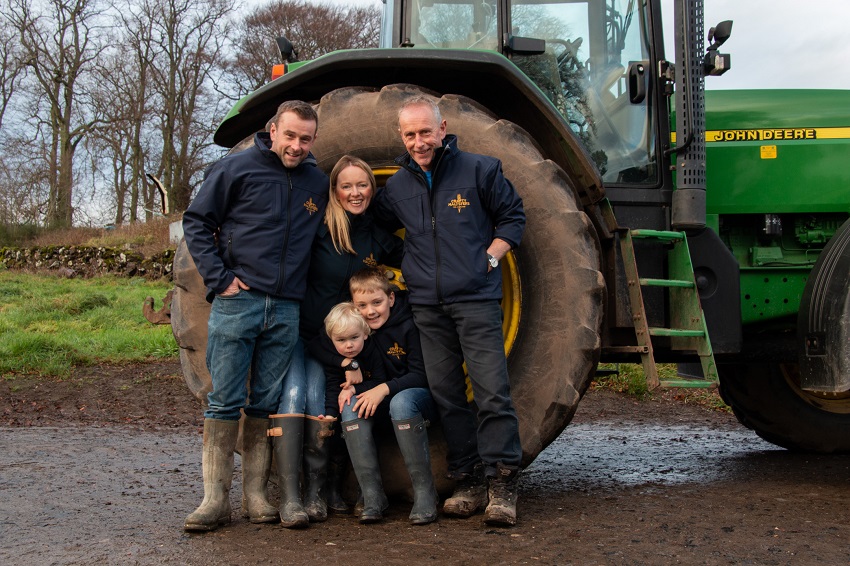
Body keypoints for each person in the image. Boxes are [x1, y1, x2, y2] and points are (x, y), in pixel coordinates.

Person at [373, 95, 526, 527]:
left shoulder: (480, 169)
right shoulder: (398, 187)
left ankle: (503, 485)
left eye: (425, 132)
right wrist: (410, 263)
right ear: (401, 137)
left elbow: (512, 218)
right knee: (447, 397)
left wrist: (489, 260)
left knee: (492, 391)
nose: (419, 141)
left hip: (476, 300)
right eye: (410, 134)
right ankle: (469, 480)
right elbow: (378, 227)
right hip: (427, 307)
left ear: (443, 129)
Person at [181, 100, 328, 532]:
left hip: (285, 307)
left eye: (305, 138)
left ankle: (255, 495)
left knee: (264, 402)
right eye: (290, 136)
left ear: (313, 139)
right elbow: (196, 222)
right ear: (273, 130)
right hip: (238, 301)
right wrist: (220, 278)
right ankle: (213, 500)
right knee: (225, 400)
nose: (296, 146)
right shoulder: (237, 169)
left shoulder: (316, 183)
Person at [270, 155, 403, 528]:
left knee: (333, 403)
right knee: (299, 396)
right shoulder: (317, 226)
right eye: (346, 185)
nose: (355, 193)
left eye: (362, 185)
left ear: (371, 189)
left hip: (347, 344)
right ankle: (295, 497)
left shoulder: (375, 234)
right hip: (308, 337)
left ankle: (322, 490)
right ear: (334, 190)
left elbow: (416, 256)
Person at [346, 267, 440, 525]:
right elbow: (322, 342)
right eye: (362, 305)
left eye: (377, 302)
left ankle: (425, 493)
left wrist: (384, 389)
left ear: (391, 298)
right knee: (349, 405)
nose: (370, 311)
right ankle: (372, 495)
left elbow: (422, 376)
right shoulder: (359, 329)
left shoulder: (410, 325)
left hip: (418, 397)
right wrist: (347, 365)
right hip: (383, 393)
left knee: (401, 403)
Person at [307, 302, 389, 523]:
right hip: (345, 408)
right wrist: (331, 414)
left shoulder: (372, 351)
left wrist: (355, 388)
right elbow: (334, 385)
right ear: (332, 339)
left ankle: (368, 493)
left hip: (372, 407)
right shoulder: (336, 355)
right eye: (341, 341)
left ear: (366, 333)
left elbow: (380, 380)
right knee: (337, 440)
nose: (349, 346)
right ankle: (332, 490)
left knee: (367, 436)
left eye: (354, 338)